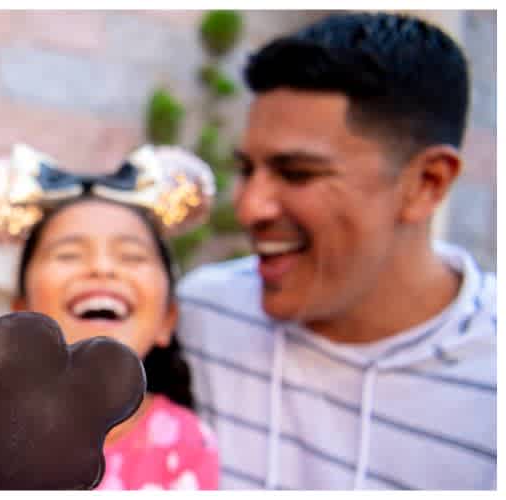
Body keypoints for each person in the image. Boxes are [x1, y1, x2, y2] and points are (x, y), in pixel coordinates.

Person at [176, 12, 496, 490]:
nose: (248, 207)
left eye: (297, 173)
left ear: (426, 184)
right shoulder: (199, 317)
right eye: (247, 169)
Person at [0, 144, 220, 490]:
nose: (102, 268)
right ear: (21, 312)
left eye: (131, 256)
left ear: (167, 320)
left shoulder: (186, 444)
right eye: (69, 254)